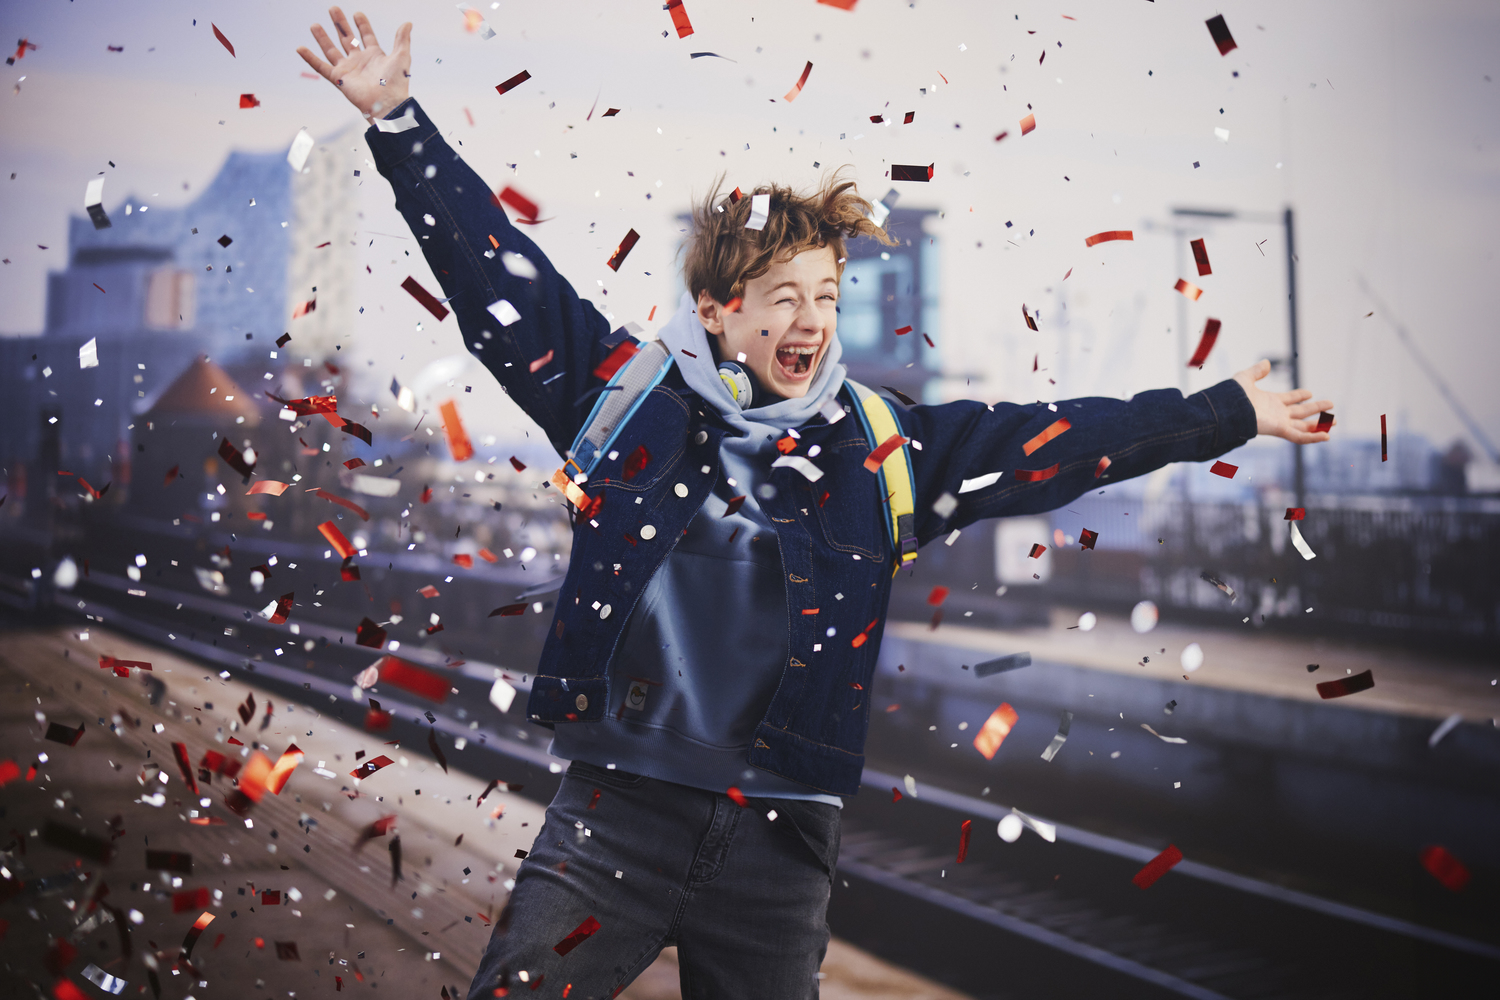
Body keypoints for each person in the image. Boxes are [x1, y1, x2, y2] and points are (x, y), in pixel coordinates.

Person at [298, 10, 1336, 998]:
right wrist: (398, 122)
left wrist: (1228, 411)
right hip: (615, 820)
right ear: (718, 308)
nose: (812, 321)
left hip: (782, 846)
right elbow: (493, 279)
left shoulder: (886, 451)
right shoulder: (620, 398)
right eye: (784, 297)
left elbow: (1054, 443)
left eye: (827, 296)